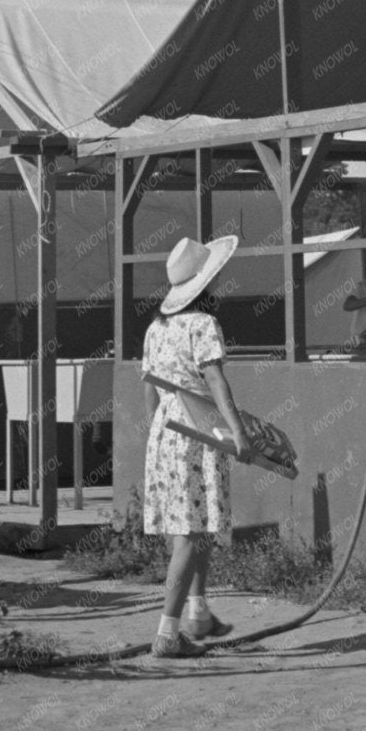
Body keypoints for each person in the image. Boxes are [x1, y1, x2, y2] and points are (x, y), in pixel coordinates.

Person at [140, 234, 252, 659]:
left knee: (193, 526)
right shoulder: (204, 325)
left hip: (167, 431)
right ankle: (168, 633)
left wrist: (157, 429)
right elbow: (216, 382)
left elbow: (149, 387)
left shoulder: (157, 328)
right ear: (206, 285)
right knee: (190, 532)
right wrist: (238, 431)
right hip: (199, 431)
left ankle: (198, 613)